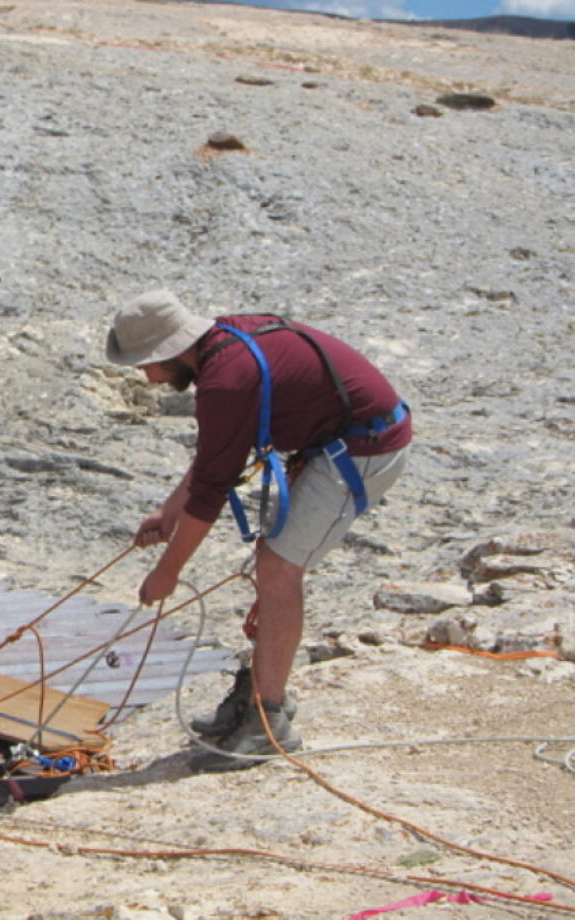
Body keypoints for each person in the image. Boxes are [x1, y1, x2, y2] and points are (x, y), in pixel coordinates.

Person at [105, 288, 411, 772]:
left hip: (364, 449)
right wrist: (169, 513)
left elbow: (211, 492)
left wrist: (167, 572)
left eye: (148, 364)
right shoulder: (224, 340)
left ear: (169, 350)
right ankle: (260, 695)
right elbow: (215, 455)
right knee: (271, 564)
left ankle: (268, 722)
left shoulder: (225, 381)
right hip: (339, 439)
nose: (149, 376)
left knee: (278, 570)